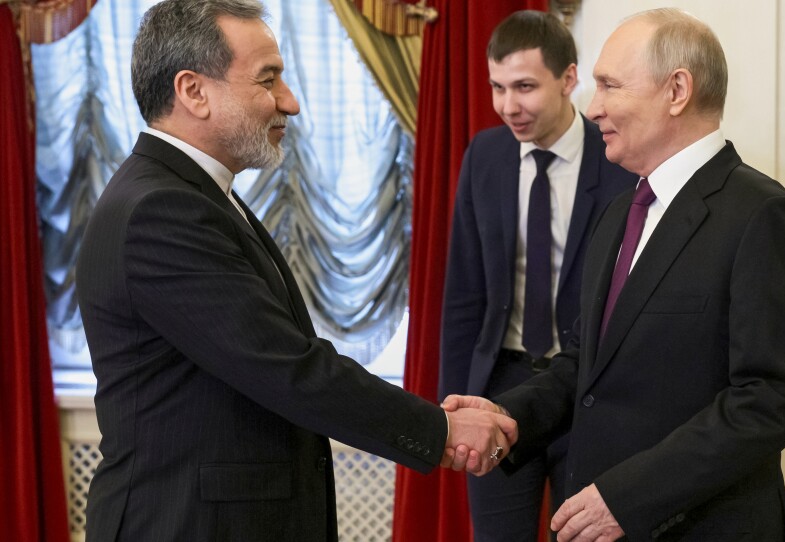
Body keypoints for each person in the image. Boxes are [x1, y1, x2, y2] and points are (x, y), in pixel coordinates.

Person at [75, 1, 515, 540]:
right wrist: (441, 429)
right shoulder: (161, 210)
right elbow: (284, 366)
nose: (291, 102)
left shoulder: (191, 195)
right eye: (268, 79)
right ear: (193, 91)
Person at [444, 8, 785, 541]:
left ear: (677, 90)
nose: (594, 106)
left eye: (609, 85)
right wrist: (506, 416)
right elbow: (584, 362)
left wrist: (630, 497)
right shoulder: (621, 211)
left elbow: (777, 397)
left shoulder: (761, 215)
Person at [438, 10, 637, 541]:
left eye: (524, 87)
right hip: (500, 390)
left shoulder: (619, 158)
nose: (508, 106)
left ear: (569, 78)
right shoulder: (485, 154)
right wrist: (453, 408)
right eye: (497, 87)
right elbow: (463, 291)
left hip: (588, 391)